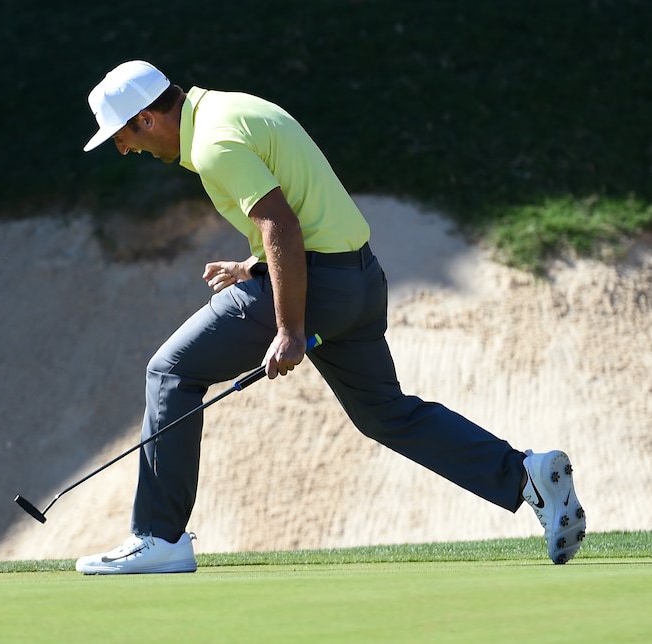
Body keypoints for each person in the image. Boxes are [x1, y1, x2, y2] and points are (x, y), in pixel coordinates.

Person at [74, 60, 586, 574]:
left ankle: (159, 537)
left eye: (121, 136)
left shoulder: (212, 145)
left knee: (172, 372)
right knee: (386, 413)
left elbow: (281, 223)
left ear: (145, 118)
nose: (123, 149)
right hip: (359, 280)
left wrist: (290, 329)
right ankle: (526, 475)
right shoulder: (232, 107)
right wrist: (253, 264)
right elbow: (306, 208)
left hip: (315, 286)